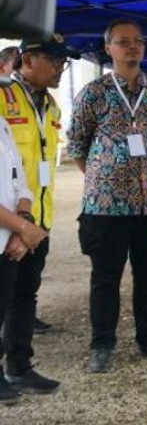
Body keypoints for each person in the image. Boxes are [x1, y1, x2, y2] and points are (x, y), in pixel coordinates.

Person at [67, 19, 147, 373]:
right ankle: (102, 344)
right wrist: (103, 177)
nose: (132, 47)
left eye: (138, 41)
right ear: (108, 47)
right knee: (105, 279)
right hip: (105, 207)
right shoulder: (94, 93)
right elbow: (77, 145)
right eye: (123, 42)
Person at [0, 35, 79, 395]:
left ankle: (20, 365)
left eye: (64, 62)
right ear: (28, 60)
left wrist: (32, 224)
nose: (61, 68)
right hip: (7, 223)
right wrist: (18, 226)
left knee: (25, 297)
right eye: (55, 60)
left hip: (37, 218)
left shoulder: (50, 105)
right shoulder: (3, 98)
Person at [0, 115, 46, 406]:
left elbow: (21, 178)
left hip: (10, 236)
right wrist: (22, 227)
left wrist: (24, 222)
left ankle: (16, 367)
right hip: (11, 230)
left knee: (11, 301)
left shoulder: (2, 122)